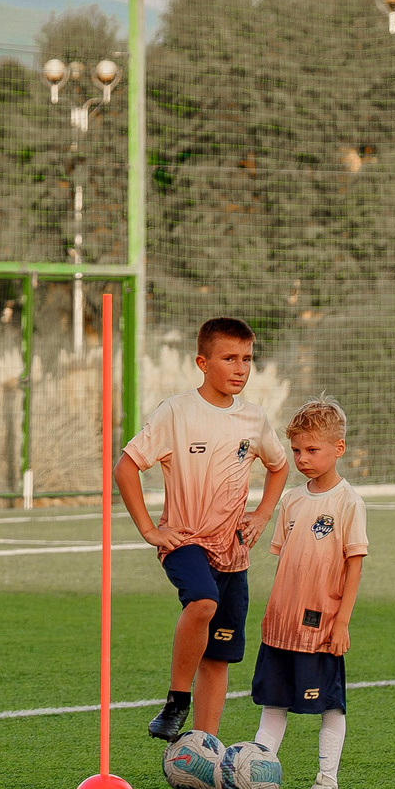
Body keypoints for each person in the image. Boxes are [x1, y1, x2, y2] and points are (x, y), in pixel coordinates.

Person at [114, 315, 290, 744]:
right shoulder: (177, 411)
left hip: (233, 549)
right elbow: (126, 467)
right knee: (203, 602)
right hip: (184, 539)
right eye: (229, 358)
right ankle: (176, 701)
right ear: (202, 362)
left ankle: (203, 749)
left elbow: (279, 465)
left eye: (247, 358)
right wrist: (149, 530)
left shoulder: (254, 419)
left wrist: (262, 515)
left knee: (219, 657)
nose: (240, 368)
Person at [249, 398, 365, 789]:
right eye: (297, 450)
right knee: (272, 703)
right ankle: (254, 779)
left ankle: (327, 783)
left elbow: (354, 565)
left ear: (339, 448)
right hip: (280, 623)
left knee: (329, 705)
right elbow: (287, 563)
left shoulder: (348, 502)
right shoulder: (292, 500)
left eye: (312, 450)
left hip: (320, 624)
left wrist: (342, 622)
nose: (302, 458)